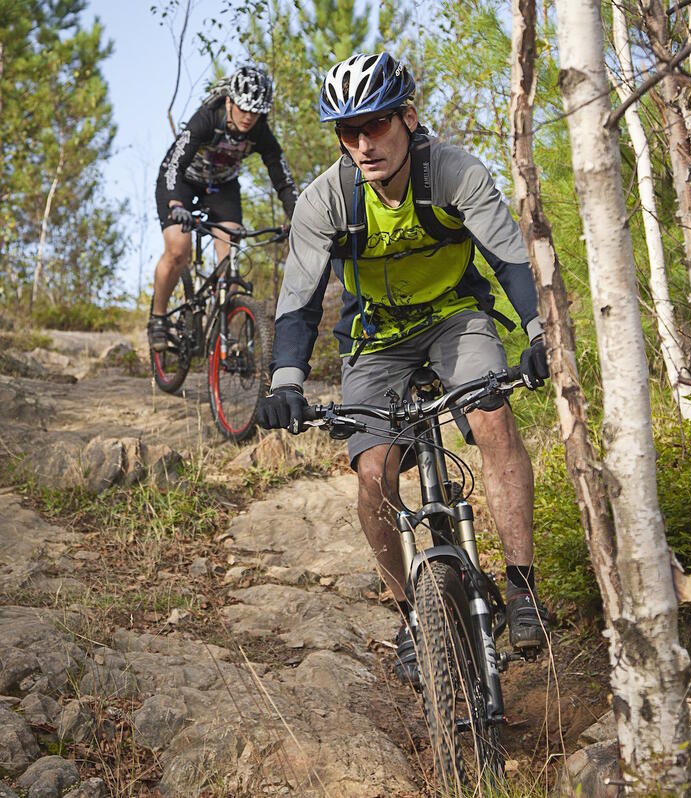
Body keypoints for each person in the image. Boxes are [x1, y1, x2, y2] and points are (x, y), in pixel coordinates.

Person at [256, 52, 550, 685]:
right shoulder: (325, 200)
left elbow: (511, 262)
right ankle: (413, 614)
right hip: (376, 338)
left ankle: (523, 588)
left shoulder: (454, 173)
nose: (364, 144)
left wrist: (539, 331)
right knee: (372, 472)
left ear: (409, 119)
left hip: (455, 317)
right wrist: (286, 383)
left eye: (378, 124)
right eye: (348, 131)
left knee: (493, 419)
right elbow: (299, 303)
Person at [148, 65, 298, 351]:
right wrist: (176, 203)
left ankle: (221, 337)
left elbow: (283, 179)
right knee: (179, 249)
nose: (248, 117)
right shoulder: (207, 118)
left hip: (222, 187)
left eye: (256, 112)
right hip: (180, 181)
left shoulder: (260, 131)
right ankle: (157, 319)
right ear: (230, 101)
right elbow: (174, 163)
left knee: (230, 262)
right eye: (243, 109)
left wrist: (299, 216)